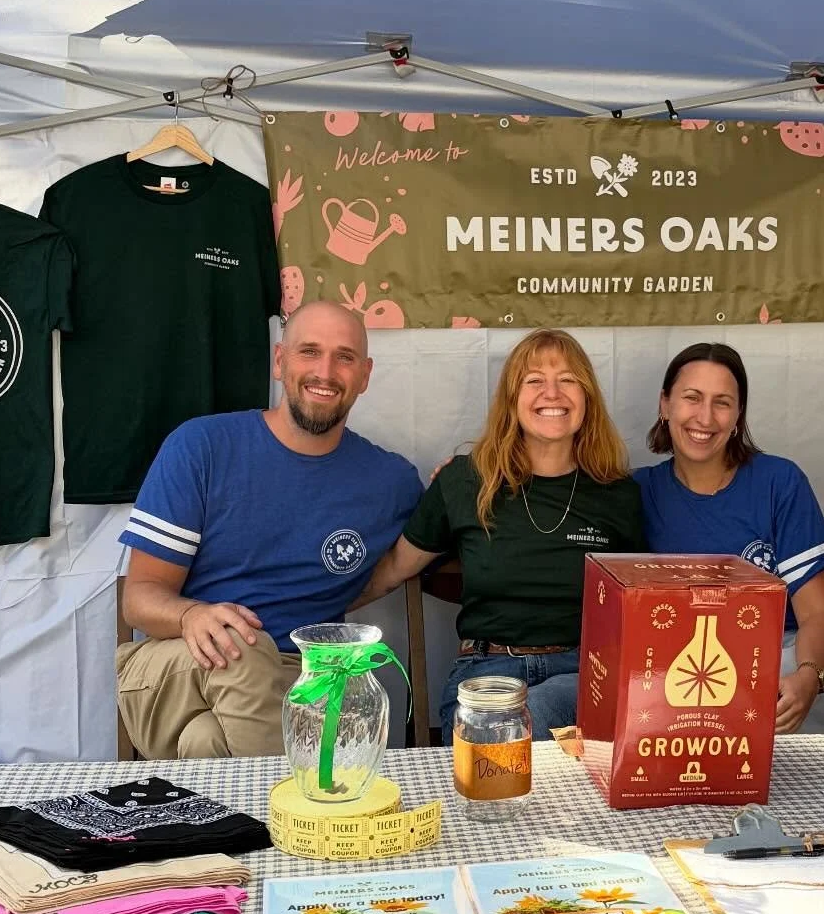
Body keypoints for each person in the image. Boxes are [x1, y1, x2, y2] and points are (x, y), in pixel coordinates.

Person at [116, 300, 422, 758]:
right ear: (280, 361)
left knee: (205, 742)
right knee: (245, 648)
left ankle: (239, 824)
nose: (325, 371)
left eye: (344, 357)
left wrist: (456, 483)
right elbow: (139, 598)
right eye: (309, 352)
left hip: (297, 677)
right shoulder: (202, 447)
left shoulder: (389, 482)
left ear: (365, 374)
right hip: (176, 664)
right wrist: (191, 615)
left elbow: (411, 551)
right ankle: (292, 814)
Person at [365, 329, 644, 741]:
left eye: (568, 380)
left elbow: (639, 607)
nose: (552, 393)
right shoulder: (464, 481)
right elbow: (393, 568)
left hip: (584, 673)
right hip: (486, 671)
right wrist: (309, 611)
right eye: (533, 381)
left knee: (539, 709)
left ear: (587, 398)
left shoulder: (618, 494)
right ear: (512, 400)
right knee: (499, 728)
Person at [636, 341, 824, 734]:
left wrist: (808, 676)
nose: (705, 417)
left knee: (746, 697)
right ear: (665, 405)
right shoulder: (639, 493)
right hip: (703, 668)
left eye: (722, 402)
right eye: (691, 398)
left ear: (738, 417)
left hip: (806, 654)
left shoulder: (778, 482)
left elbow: (818, 613)